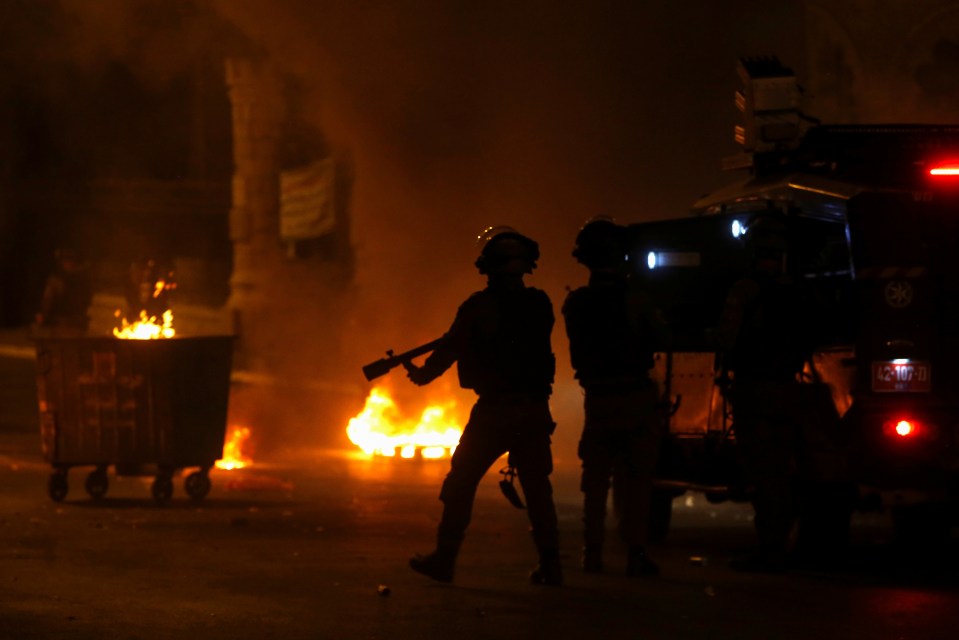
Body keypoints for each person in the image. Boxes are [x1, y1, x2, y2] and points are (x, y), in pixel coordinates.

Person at [403, 226, 562, 586]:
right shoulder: (541, 304)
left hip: (495, 411)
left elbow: (451, 347)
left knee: (461, 482)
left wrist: (423, 374)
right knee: (538, 489)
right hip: (534, 410)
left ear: (487, 266)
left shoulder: (478, 307)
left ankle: (445, 559)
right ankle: (552, 565)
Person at [561, 217, 670, 577]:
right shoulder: (634, 298)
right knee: (636, 482)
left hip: (599, 400)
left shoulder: (575, 304)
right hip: (635, 399)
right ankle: (635, 554)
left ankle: (591, 553)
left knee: (595, 483)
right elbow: (660, 338)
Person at [717, 213, 819, 573]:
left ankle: (771, 549)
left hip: (755, 390)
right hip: (787, 389)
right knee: (784, 470)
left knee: (764, 474)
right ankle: (786, 542)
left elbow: (727, 338)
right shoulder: (795, 292)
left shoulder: (745, 290)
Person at [34, 248, 94, 337]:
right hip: (68, 322)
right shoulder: (60, 280)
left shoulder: (78, 280)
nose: (67, 264)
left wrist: (43, 315)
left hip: (68, 322)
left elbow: (47, 300)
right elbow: (47, 300)